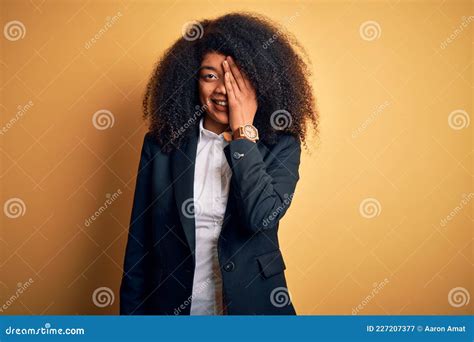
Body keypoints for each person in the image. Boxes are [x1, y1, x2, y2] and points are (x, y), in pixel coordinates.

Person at [120, 12, 318, 315]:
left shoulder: (281, 145)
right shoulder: (161, 146)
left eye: (238, 77)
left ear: (261, 80)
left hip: (255, 310)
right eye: (210, 75)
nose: (224, 89)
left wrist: (242, 134)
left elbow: (261, 217)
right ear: (192, 80)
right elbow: (139, 246)